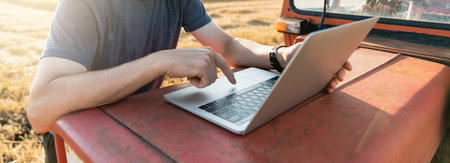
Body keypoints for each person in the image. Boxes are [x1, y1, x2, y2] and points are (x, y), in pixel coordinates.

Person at [27, 0, 352, 162]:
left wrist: (278, 56)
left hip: (140, 128)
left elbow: (226, 46)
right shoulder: (82, 5)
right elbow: (41, 108)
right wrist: (158, 62)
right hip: (80, 139)